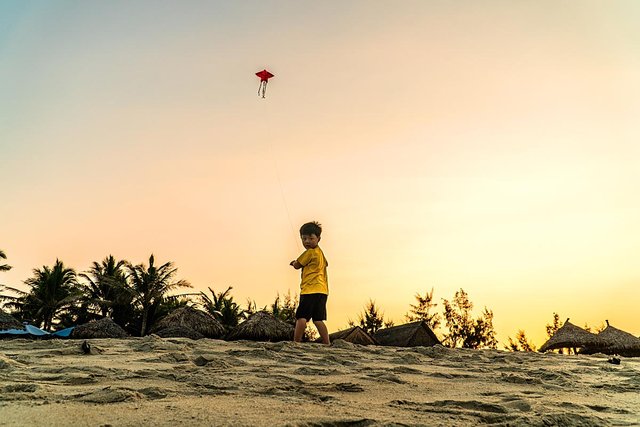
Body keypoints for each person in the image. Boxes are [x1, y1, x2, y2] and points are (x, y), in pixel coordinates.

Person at [289, 221, 330, 345]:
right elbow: (326, 264)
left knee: (301, 317)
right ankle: (327, 342)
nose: (307, 241)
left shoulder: (310, 252)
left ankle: (296, 342)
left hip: (309, 290)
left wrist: (293, 263)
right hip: (322, 291)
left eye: (311, 238)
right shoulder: (320, 253)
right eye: (304, 238)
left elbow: (297, 265)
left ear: (318, 238)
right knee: (318, 319)